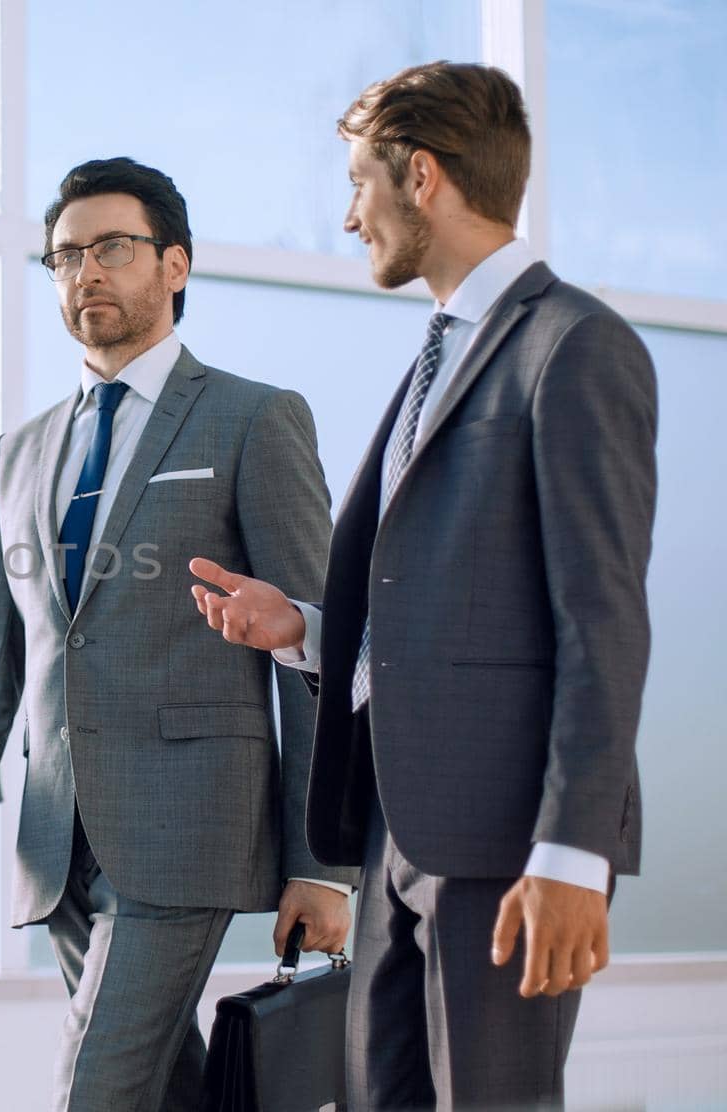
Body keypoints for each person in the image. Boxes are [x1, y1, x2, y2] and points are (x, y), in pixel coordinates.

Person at [189, 62, 658, 1109]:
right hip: (393, 830)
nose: (349, 215)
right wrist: (304, 629)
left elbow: (602, 621)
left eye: (359, 181)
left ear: (424, 176)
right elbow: (447, 600)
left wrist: (573, 852)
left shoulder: (574, 347)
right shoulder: (439, 353)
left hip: (504, 840)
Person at [0, 157, 355, 1110]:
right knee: (158, 1094)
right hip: (58, 846)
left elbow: (318, 652)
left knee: (90, 1092)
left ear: (175, 264)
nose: (85, 271)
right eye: (63, 256)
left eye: (113, 248)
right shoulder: (15, 453)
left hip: (191, 831)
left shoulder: (253, 419)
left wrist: (323, 863)